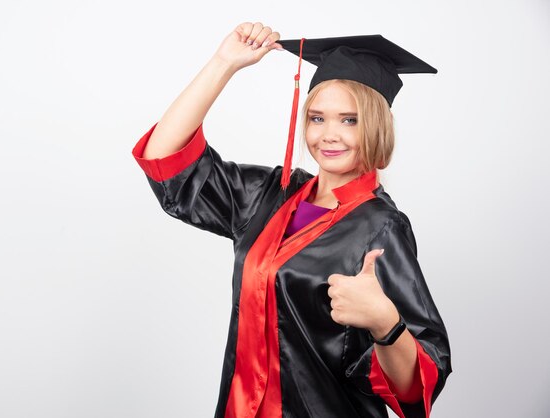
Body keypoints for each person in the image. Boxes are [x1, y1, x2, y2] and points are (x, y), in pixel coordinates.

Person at [132, 22, 451, 418]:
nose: (329, 135)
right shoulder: (268, 195)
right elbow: (168, 163)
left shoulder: (380, 226)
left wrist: (386, 323)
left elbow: (417, 388)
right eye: (317, 118)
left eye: (348, 120)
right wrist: (223, 64)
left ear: (375, 125)